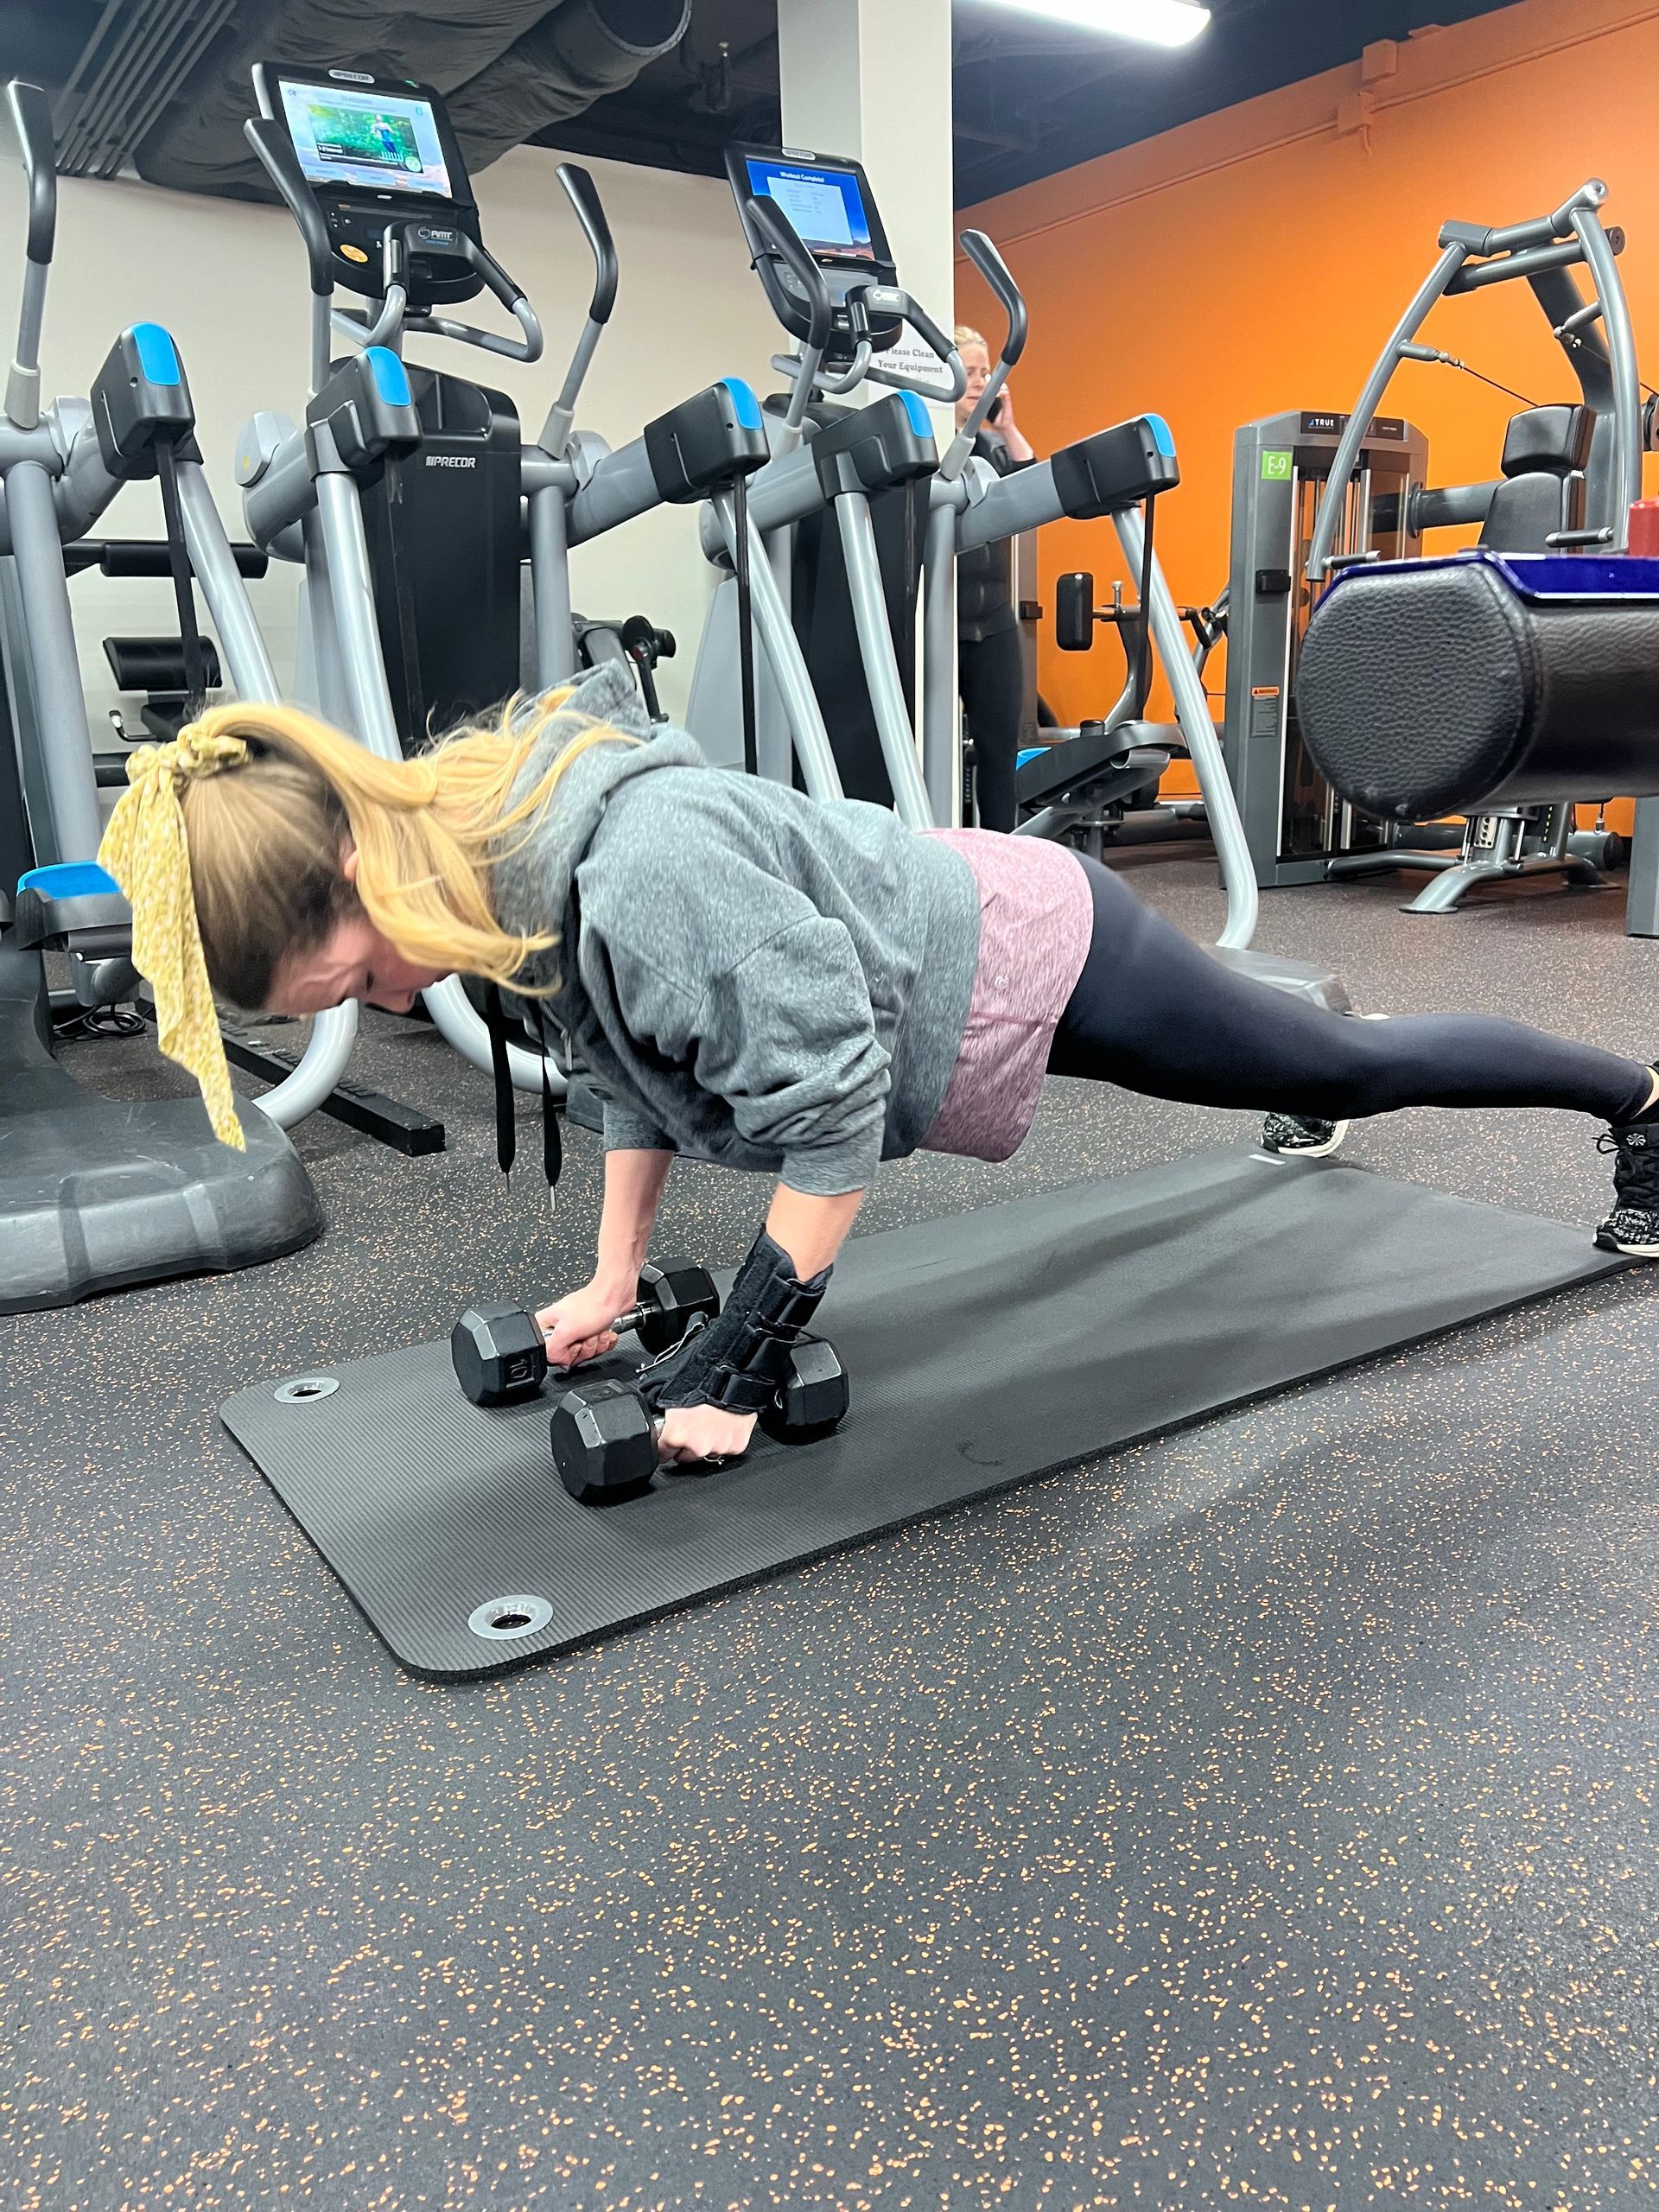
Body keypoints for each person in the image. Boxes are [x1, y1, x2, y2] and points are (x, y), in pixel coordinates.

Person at [100, 660, 1659, 1472]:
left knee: (1349, 1061)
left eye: (358, 976)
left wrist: (740, 1359)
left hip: (1036, 950)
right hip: (938, 943)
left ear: (364, 874)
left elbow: (832, 1104)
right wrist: (609, 1285)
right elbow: (627, 1077)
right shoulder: (501, 871)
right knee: (1289, 1061)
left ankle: (1636, 1100)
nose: (376, 1002)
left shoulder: (637, 874)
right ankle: (1290, 1068)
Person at [954, 323, 1034, 834]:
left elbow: (1031, 497)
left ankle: (1003, 855)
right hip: (941, 621)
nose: (984, 382)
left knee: (1000, 750)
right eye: (971, 373)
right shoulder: (934, 453)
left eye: (987, 372)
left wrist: (1006, 428)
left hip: (994, 621)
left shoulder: (994, 453)